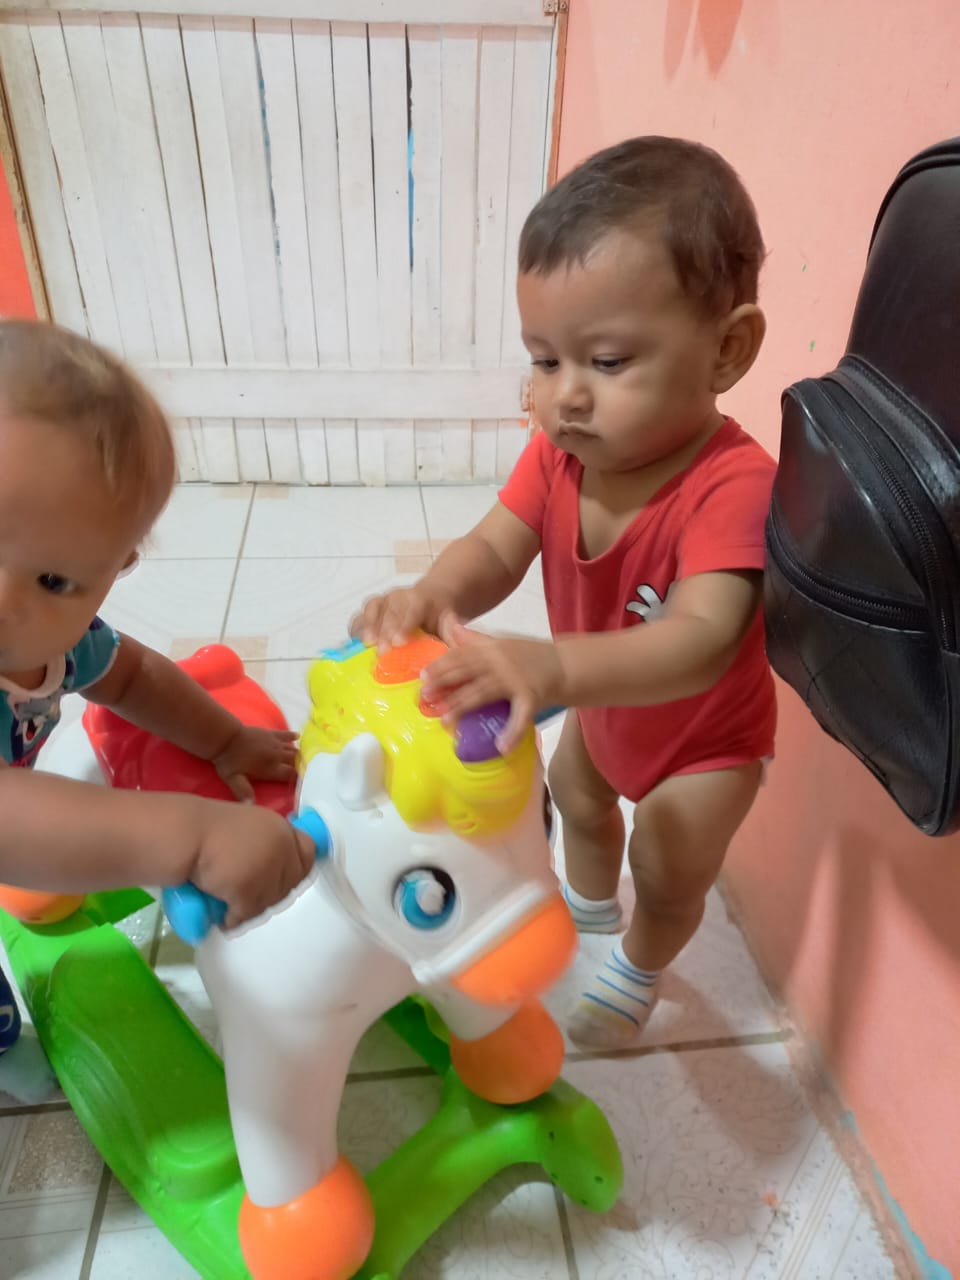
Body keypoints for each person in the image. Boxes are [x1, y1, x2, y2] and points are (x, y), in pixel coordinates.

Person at [353, 137, 777, 1049]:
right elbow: (495, 545)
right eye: (546, 362)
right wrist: (433, 594)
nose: (566, 397)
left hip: (704, 744)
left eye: (608, 362)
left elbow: (703, 638)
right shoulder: (559, 455)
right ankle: (586, 911)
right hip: (602, 708)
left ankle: (641, 964)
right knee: (576, 800)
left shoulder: (733, 486)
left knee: (666, 862)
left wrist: (550, 667)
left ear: (727, 349)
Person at [0, 320, 314, 1092]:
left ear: (114, 572)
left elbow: (134, 677)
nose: (5, 603)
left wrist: (225, 741)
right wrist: (194, 837)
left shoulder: (63, 646)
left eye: (54, 581)